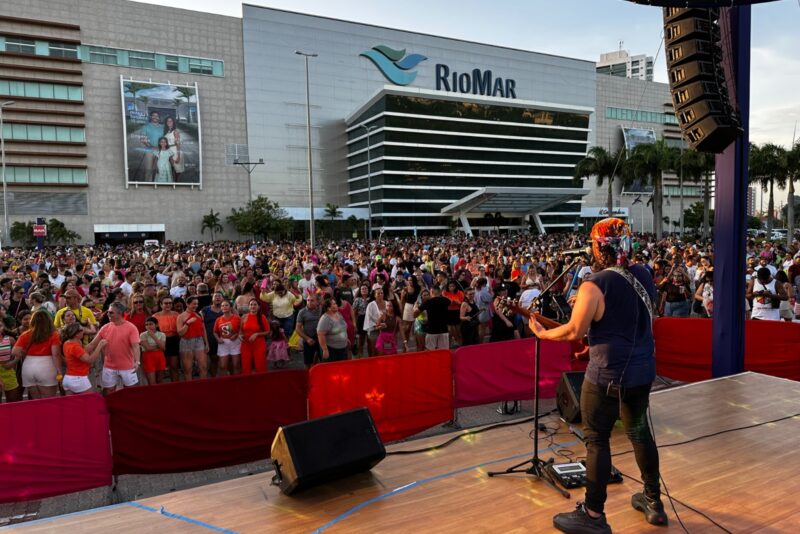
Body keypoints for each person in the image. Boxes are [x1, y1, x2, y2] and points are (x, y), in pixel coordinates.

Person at [528, 218, 666, 533]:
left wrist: (542, 334)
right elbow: (622, 318)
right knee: (640, 434)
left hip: (607, 376)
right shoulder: (644, 274)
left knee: (597, 440)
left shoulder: (594, 284)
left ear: (598, 248)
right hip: (642, 372)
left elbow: (574, 330)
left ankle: (592, 516)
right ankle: (654, 502)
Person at [86, 302, 141, 395]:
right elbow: (92, 344)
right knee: (108, 392)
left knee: (132, 393)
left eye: (111, 312)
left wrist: (137, 361)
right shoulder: (105, 327)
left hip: (128, 366)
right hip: (109, 366)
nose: (108, 314)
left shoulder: (131, 328)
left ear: (120, 313)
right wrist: (78, 353)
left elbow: (136, 346)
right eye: (108, 312)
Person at [11, 310, 62, 399]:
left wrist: (25, 352)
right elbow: (56, 354)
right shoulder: (53, 334)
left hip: (28, 366)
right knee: (48, 400)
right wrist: (59, 371)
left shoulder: (25, 334)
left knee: (36, 400)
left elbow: (14, 351)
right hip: (47, 366)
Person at [60, 323, 105, 394]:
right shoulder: (75, 347)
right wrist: (100, 346)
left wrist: (99, 335)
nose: (83, 331)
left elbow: (86, 348)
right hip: (78, 379)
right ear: (77, 334)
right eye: (82, 329)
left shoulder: (67, 343)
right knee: (91, 399)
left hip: (68, 378)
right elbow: (90, 360)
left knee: (72, 401)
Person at [177, 296, 209, 380]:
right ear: (187, 304)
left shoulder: (199, 314)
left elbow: (203, 330)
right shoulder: (181, 316)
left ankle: (203, 386)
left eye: (197, 304)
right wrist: (187, 323)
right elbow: (180, 332)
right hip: (186, 341)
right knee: (188, 369)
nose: (196, 306)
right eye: (194, 304)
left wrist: (206, 343)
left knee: (203, 367)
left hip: (199, 340)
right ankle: (190, 386)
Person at [414, 285, 451, 350]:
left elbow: (416, 313)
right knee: (443, 351)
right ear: (440, 292)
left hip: (431, 330)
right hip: (444, 329)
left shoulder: (428, 302)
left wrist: (415, 308)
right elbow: (448, 301)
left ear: (431, 292)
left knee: (430, 351)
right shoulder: (446, 300)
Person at [154, 296, 180, 382]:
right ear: (161, 304)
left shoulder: (176, 315)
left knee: (174, 366)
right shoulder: (155, 316)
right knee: (161, 368)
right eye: (166, 303)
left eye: (170, 303)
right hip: (161, 341)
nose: (168, 305)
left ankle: (175, 386)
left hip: (174, 341)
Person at [239, 298, 270, 374]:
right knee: (246, 367)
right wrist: (240, 335)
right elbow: (240, 330)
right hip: (246, 345)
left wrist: (257, 334)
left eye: (255, 305)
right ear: (248, 306)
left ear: (258, 307)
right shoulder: (244, 317)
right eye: (251, 304)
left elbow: (268, 331)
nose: (253, 306)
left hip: (259, 345)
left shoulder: (262, 317)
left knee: (260, 367)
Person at [317, 297, 349, 362]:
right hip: (332, 350)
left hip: (343, 348)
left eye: (336, 303)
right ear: (329, 308)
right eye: (334, 304)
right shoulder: (325, 318)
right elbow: (320, 335)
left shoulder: (338, 314)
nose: (336, 305)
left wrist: (346, 339)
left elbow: (343, 328)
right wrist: (325, 349)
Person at [214, 299, 241, 375]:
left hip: (235, 342)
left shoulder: (237, 318)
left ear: (231, 307)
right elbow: (215, 332)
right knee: (222, 366)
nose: (224, 307)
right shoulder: (218, 319)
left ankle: (237, 381)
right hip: (223, 343)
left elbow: (242, 329)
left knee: (236, 365)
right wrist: (218, 339)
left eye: (226, 305)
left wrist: (236, 335)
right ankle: (225, 381)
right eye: (222, 306)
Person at [295, 294, 321, 367]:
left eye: (312, 300)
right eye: (308, 300)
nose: (309, 302)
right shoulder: (302, 312)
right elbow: (298, 329)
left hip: (321, 339)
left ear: (317, 302)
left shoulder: (321, 309)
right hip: (309, 339)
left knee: (322, 360)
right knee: (308, 362)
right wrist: (307, 339)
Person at [139, 317, 166, 385]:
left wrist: (153, 336)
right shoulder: (143, 335)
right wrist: (158, 346)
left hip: (160, 357)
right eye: (146, 324)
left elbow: (163, 347)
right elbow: (148, 348)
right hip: (148, 357)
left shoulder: (162, 334)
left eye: (151, 324)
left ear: (156, 325)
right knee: (152, 382)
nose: (148, 326)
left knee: (160, 380)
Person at [163, 116, 185, 180]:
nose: (169, 122)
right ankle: (172, 182)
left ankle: (176, 182)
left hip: (175, 152)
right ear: (166, 122)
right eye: (168, 121)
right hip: (169, 151)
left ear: (173, 122)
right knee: (170, 169)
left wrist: (178, 156)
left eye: (171, 121)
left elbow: (178, 144)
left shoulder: (175, 131)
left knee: (177, 169)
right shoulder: (167, 131)